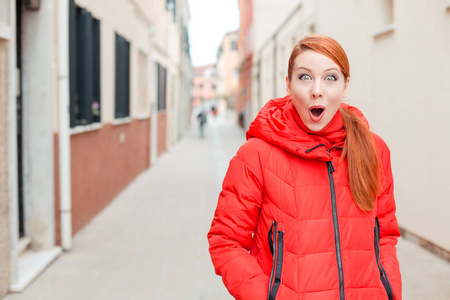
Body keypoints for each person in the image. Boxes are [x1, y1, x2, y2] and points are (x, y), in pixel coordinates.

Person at [207, 35, 401, 300]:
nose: (317, 90)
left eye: (330, 78)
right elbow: (225, 241)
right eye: (305, 77)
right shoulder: (256, 156)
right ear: (288, 85)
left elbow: (385, 235)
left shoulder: (374, 149)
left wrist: (388, 291)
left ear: (345, 86)